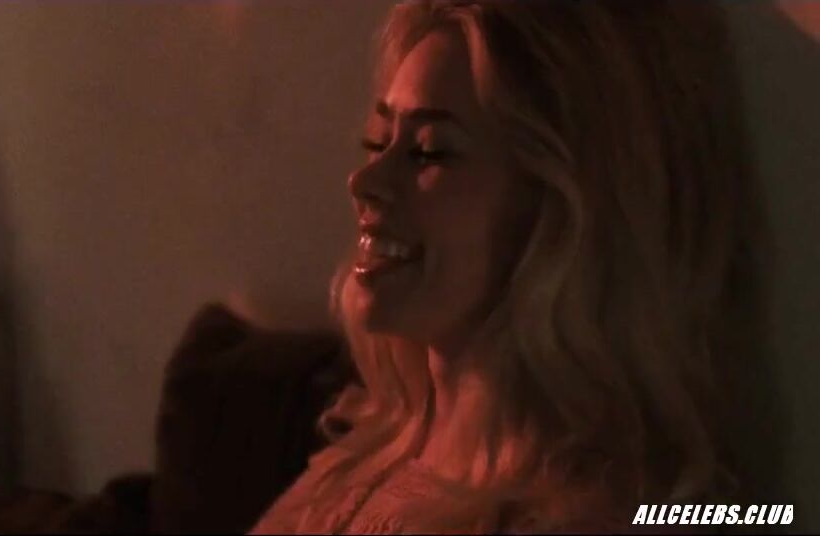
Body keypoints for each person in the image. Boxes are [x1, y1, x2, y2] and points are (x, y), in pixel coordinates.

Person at [252, 1, 780, 533]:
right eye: (379, 141)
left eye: (430, 151)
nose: (365, 182)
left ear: (562, 210)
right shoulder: (374, 445)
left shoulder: (590, 514)